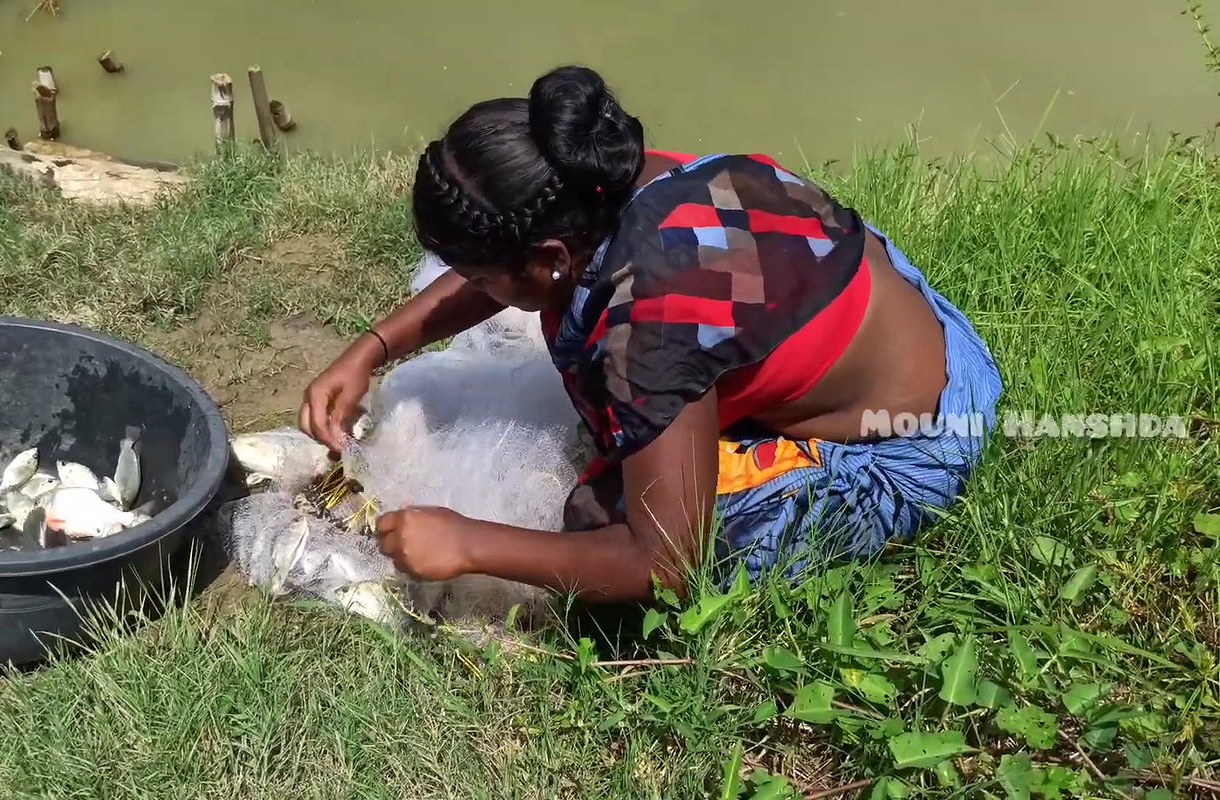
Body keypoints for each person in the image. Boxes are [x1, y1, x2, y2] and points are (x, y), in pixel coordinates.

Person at [299, 65, 1003, 602]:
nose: (473, 291)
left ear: (548, 259)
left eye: (481, 279)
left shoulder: (653, 325)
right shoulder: (618, 179)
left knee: (593, 518)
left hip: (912, 438)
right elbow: (517, 266)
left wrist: (469, 543)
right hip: (896, 315)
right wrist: (374, 347)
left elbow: (665, 561)